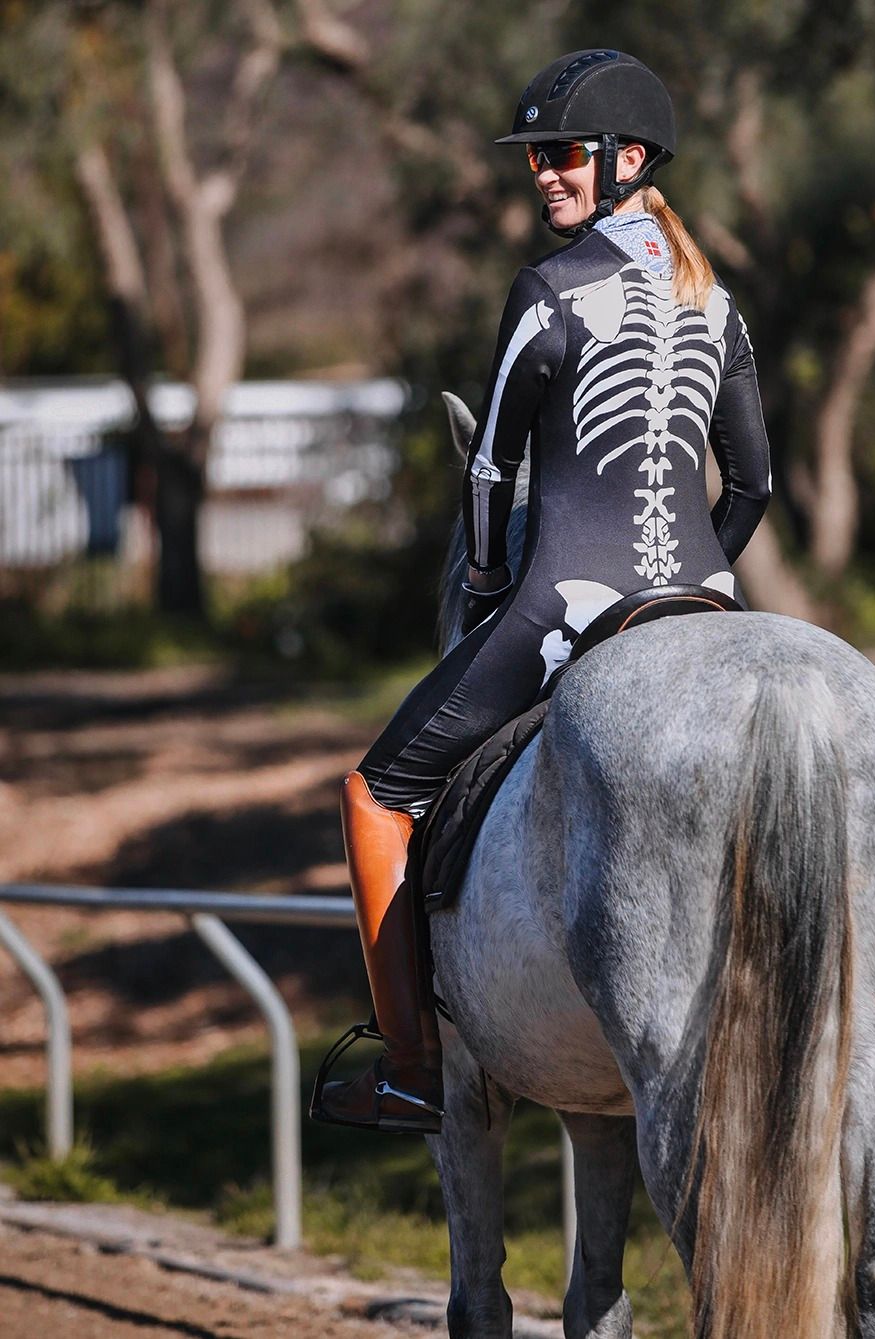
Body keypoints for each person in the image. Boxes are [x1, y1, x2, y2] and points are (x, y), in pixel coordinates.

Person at [312, 49, 772, 1134]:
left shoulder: (548, 290)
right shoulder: (724, 303)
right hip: (710, 599)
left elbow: (487, 474)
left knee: (374, 798)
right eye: (537, 159)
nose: (544, 175)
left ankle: (411, 1066)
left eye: (561, 155)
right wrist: (698, 570)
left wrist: (480, 585)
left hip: (565, 603)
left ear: (627, 158)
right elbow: (751, 482)